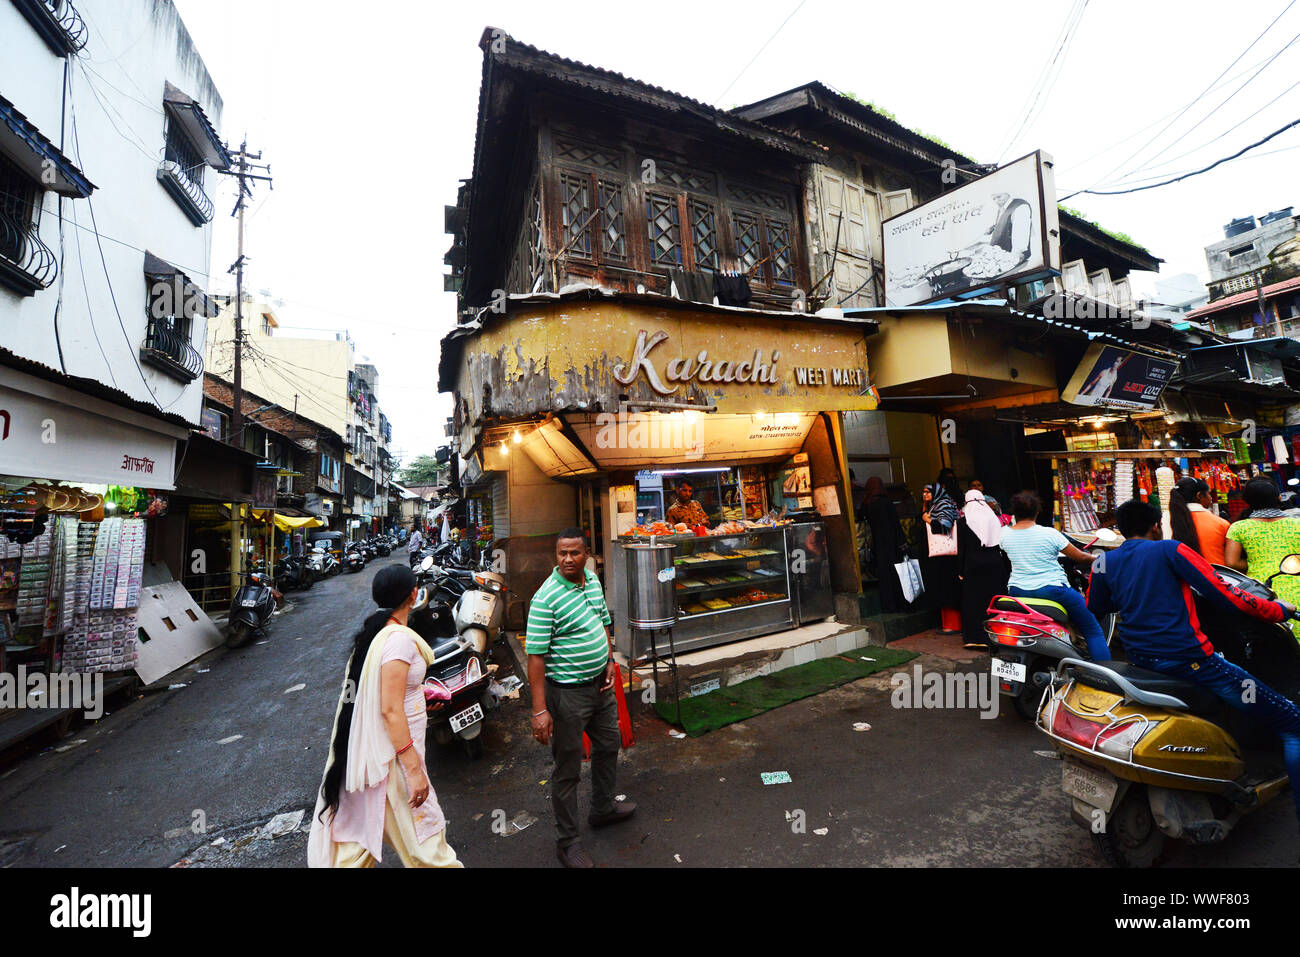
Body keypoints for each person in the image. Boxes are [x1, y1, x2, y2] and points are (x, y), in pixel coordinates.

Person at [1087, 498, 1300, 829]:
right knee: (1292, 723)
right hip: (1192, 661)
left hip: (1141, 661)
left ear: (1121, 529)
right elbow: (1226, 594)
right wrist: (1278, 611)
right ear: (1156, 525)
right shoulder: (1171, 551)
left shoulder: (1104, 562)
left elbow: (1098, 605)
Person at [308, 564, 461, 868]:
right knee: (430, 851)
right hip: (394, 764)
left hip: (374, 763)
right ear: (414, 595)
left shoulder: (376, 634)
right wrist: (414, 771)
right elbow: (389, 709)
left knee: (352, 853)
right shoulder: (398, 640)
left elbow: (388, 696)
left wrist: (419, 698)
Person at [527, 528, 635, 868]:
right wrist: (540, 711)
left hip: (600, 687)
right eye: (562, 553)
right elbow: (535, 657)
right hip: (567, 695)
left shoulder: (591, 578)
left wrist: (607, 659)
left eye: (574, 553)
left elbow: (603, 621)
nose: (568, 559)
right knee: (568, 769)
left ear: (586, 553)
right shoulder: (546, 598)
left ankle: (602, 808)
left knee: (608, 744)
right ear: (555, 555)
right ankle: (568, 842)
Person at [998, 490, 1109, 661]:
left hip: (1017, 591)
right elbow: (1080, 557)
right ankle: (1104, 675)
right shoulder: (1049, 534)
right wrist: (1099, 558)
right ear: (1037, 511)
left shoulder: (1004, 534)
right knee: (1092, 629)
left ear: (1014, 512)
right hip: (1052, 590)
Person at [1225, 477, 1300, 639]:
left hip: (1261, 594)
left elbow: (1231, 563)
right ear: (1279, 498)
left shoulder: (1239, 527)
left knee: (1274, 644)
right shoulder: (1297, 524)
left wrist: (1256, 562)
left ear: (1247, 501)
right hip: (1297, 589)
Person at [957, 489, 1009, 650]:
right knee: (993, 600)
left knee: (972, 602)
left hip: (972, 567)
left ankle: (973, 637)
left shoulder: (963, 522)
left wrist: (960, 571)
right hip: (995, 565)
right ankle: (994, 636)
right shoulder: (994, 519)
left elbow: (961, 549)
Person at [922, 479, 962, 633]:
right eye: (924, 492)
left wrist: (928, 519)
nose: (924, 494)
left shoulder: (944, 504)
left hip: (947, 556)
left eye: (928, 492)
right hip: (939, 555)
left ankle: (953, 625)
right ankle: (948, 624)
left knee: (948, 588)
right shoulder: (935, 505)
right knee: (943, 588)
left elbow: (945, 526)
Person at [862, 477, 906, 612]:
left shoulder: (867, 504)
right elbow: (896, 524)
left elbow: (860, 516)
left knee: (884, 576)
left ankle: (889, 606)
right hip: (892, 544)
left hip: (878, 545)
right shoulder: (887, 502)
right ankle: (901, 604)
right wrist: (902, 542)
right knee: (897, 574)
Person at [1168, 476, 1229, 564]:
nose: (1210, 498)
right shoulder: (1220, 523)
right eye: (1209, 494)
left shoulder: (1167, 522)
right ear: (1199, 496)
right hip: (1217, 574)